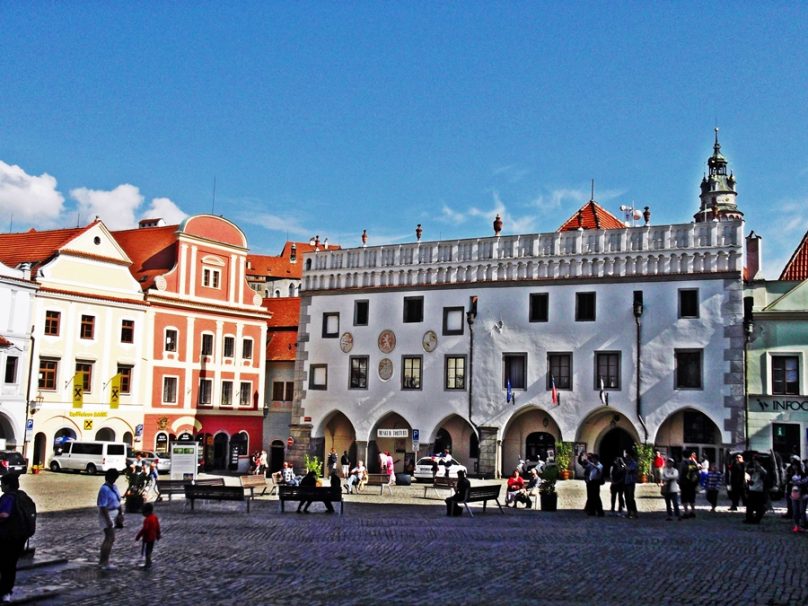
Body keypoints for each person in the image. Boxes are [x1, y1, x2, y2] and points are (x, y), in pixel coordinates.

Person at [0, 474, 29, 602]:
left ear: (7, 485)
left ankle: (3, 591)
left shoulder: (8, 498)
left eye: (2, 484)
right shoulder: (22, 496)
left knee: (4, 566)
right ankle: (7, 593)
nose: (1, 486)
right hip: (19, 537)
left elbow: (4, 515)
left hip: (6, 538)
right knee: (10, 566)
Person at [97, 468, 123, 570]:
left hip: (114, 513)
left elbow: (118, 500)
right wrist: (108, 520)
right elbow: (103, 506)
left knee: (111, 539)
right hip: (107, 514)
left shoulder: (114, 487)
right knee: (109, 538)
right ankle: (103, 562)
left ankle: (105, 561)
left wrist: (120, 512)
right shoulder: (104, 489)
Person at [134, 502, 161, 569]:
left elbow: (144, 529)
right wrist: (158, 534)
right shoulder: (155, 517)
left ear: (147, 512)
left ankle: (147, 564)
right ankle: (149, 562)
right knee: (150, 550)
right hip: (153, 537)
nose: (143, 514)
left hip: (148, 537)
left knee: (147, 551)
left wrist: (138, 536)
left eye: (143, 513)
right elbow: (158, 527)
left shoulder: (147, 519)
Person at [579, 452, 604, 517]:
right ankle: (592, 511)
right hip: (591, 482)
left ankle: (600, 511)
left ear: (596, 459)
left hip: (596, 482)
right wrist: (582, 459)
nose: (592, 460)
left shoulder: (600, 465)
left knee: (596, 497)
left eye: (593, 459)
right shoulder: (591, 465)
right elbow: (584, 466)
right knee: (591, 497)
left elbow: (598, 469)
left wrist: (591, 463)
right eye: (592, 459)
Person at [744, 456, 767, 524]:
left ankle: (757, 519)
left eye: (756, 462)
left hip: (758, 490)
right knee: (749, 506)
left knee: (759, 506)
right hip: (752, 489)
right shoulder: (752, 469)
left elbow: (764, 476)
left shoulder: (762, 470)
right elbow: (747, 474)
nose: (755, 463)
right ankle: (749, 518)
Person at [679, 451, 700, 519]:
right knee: (692, 498)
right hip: (692, 484)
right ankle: (693, 512)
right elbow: (697, 472)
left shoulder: (682, 463)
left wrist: (679, 482)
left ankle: (686, 512)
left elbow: (680, 474)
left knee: (684, 498)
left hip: (684, 484)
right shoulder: (693, 462)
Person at [623, 450, 638, 519]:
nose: (626, 457)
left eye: (627, 455)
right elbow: (622, 470)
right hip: (626, 482)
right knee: (626, 498)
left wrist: (624, 464)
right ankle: (629, 512)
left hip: (631, 482)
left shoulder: (633, 463)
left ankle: (634, 512)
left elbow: (629, 470)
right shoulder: (627, 463)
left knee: (631, 498)